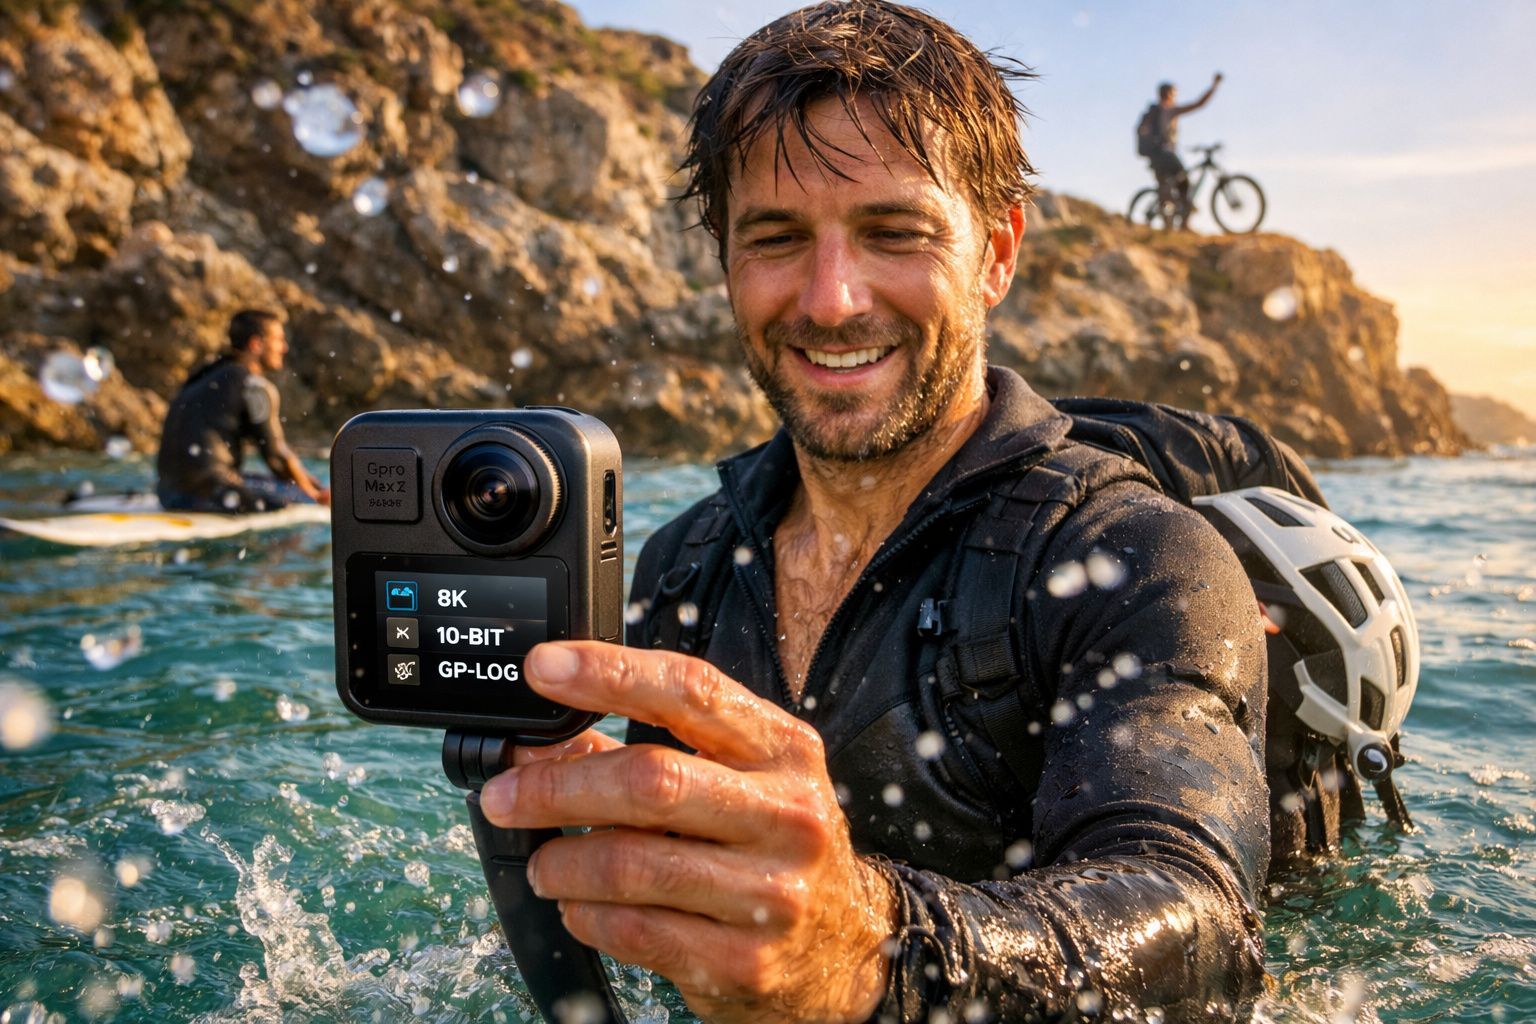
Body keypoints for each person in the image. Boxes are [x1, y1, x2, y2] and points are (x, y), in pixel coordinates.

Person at [479, 3, 1268, 1021]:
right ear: (724, 261)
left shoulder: (1139, 557)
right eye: (775, 237)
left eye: (894, 231)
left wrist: (872, 950)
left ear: (996, 254)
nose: (832, 298)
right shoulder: (682, 566)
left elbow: (1201, 928)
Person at [156, 309, 329, 513]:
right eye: (278, 340)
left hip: (169, 494)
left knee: (271, 483)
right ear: (256, 344)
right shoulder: (253, 385)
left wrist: (313, 485)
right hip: (211, 495)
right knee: (300, 501)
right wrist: (315, 496)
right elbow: (277, 456)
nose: (284, 348)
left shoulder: (205, 374)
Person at [1138, 73, 1223, 228]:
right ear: (1169, 94)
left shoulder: (1154, 113)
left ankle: (1168, 227)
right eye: (1174, 93)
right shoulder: (1168, 111)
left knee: (1165, 187)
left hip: (1155, 156)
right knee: (1184, 182)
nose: (1176, 97)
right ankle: (1184, 223)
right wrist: (1214, 86)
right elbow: (1198, 104)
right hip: (1165, 154)